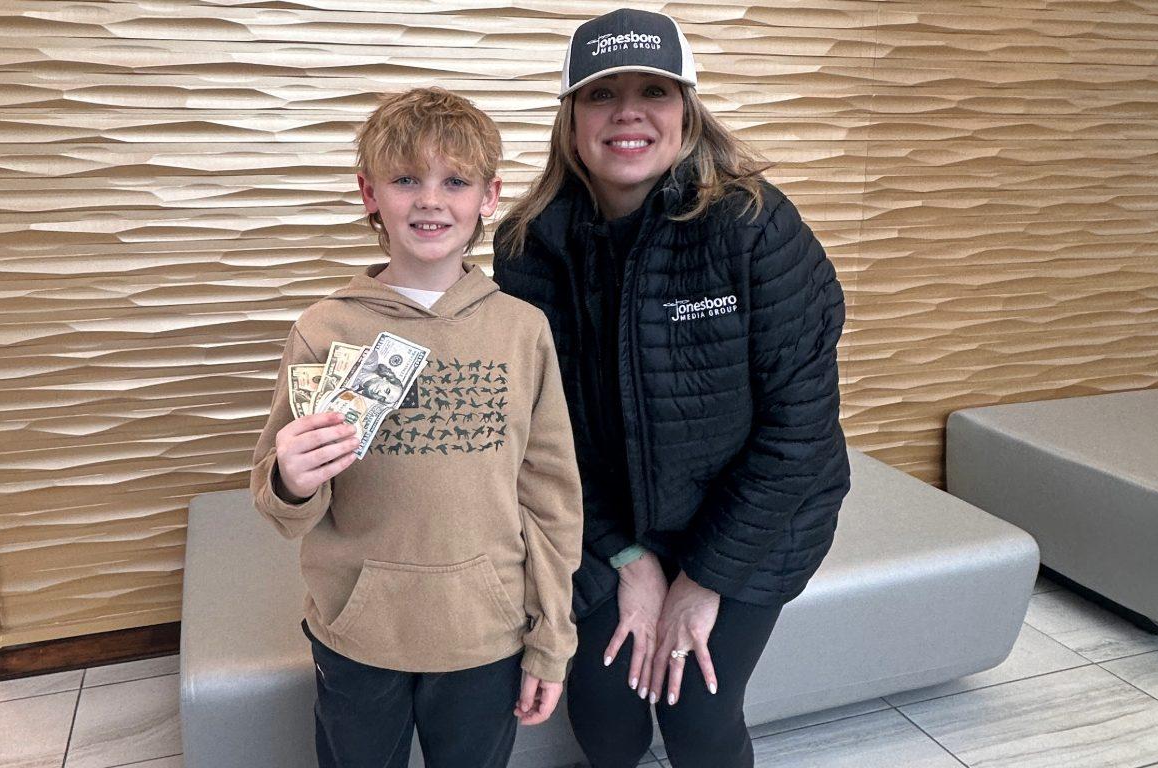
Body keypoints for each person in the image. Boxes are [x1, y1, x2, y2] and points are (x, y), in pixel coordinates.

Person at [492, 9, 852, 768]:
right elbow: (543, 430)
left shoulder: (753, 226)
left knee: (697, 716)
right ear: (571, 118)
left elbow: (800, 430)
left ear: (687, 111)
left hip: (756, 519)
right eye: (601, 94)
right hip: (607, 519)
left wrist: (703, 578)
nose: (628, 112)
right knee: (608, 712)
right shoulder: (529, 245)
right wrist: (624, 556)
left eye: (654, 90)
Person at [250, 87, 582, 768]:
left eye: (454, 181)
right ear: (370, 193)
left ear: (488, 197)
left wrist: (552, 638)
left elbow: (552, 498)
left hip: (485, 633)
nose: (431, 200)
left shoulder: (523, 331)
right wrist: (290, 478)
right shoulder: (324, 329)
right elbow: (282, 508)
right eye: (406, 180)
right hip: (356, 630)